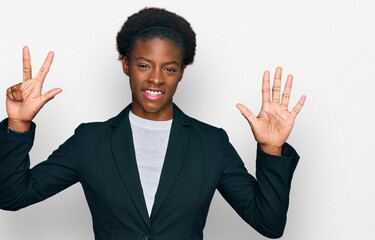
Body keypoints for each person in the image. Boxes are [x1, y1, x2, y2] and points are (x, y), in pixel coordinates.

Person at [0, 7, 306, 240]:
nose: (156, 78)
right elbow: (12, 196)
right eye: (144, 65)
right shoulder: (90, 141)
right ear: (126, 65)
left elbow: (269, 224)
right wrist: (17, 125)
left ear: (182, 72)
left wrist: (270, 148)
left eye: (170, 68)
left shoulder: (211, 144)